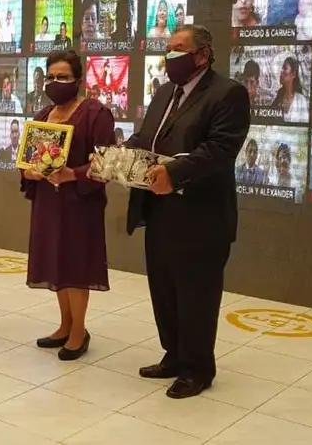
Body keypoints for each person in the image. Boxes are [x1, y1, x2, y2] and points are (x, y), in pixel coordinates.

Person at [125, 25, 250, 399]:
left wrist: (174, 172)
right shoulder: (165, 92)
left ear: (202, 54)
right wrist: (119, 154)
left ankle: (197, 368)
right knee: (164, 288)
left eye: (178, 49)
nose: (170, 56)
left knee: (196, 293)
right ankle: (174, 355)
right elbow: (147, 138)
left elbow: (220, 149)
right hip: (159, 209)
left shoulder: (228, 94)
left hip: (202, 214)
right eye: (168, 49)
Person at [21, 50, 115, 361]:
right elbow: (28, 162)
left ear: (78, 79)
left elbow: (107, 164)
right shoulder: (42, 116)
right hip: (48, 202)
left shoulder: (96, 114)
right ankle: (64, 325)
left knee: (76, 265)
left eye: (63, 77)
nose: (55, 82)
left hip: (79, 203)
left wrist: (71, 174)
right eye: (50, 77)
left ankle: (79, 332)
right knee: (56, 262)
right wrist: (29, 171)